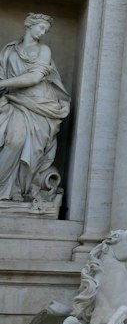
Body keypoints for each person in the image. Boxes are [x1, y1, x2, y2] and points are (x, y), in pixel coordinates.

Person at [0, 13, 71, 205]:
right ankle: (4, 190)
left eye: (45, 30)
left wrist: (3, 83)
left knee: (31, 149)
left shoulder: (44, 50)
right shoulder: (9, 51)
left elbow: (33, 78)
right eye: (40, 27)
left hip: (40, 105)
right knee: (13, 141)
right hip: (15, 100)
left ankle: (18, 190)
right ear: (28, 25)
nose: (42, 32)